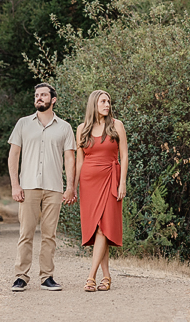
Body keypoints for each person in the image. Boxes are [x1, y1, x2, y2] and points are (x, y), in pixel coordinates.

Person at [7, 83, 77, 292]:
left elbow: (70, 159)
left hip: (54, 187)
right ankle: (21, 276)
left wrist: (70, 187)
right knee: (26, 233)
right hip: (28, 186)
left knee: (49, 235)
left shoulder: (64, 127)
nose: (39, 98)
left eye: (43, 95)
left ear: (53, 99)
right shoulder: (22, 124)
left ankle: (47, 277)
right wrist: (15, 185)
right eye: (36, 95)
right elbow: (13, 155)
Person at [76, 90, 128, 292]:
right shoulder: (82, 129)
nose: (107, 104)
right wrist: (72, 187)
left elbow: (124, 155)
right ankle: (106, 277)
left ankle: (91, 276)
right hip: (88, 183)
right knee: (100, 229)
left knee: (103, 227)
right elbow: (79, 160)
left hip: (111, 179)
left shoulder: (117, 125)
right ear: (93, 104)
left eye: (109, 101)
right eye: (103, 101)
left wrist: (122, 182)